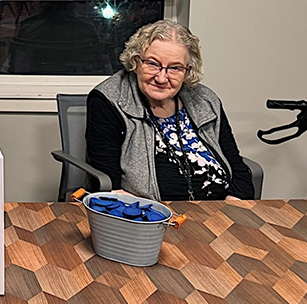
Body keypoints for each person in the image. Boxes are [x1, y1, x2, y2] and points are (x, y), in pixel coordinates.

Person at [85, 19, 254, 201]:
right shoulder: (109, 99)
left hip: (217, 210)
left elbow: (236, 166)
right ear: (136, 61)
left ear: (188, 71)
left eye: (175, 68)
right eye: (152, 64)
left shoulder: (206, 101)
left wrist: (232, 204)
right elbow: (110, 185)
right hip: (151, 214)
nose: (161, 77)